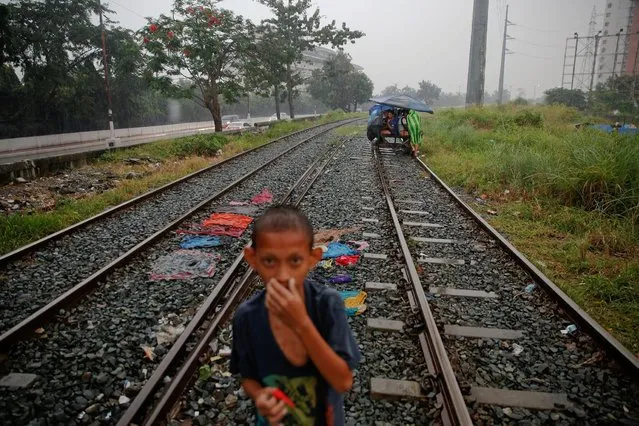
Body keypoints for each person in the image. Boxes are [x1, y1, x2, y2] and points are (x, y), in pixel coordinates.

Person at [231, 205, 361, 425]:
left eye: (295, 261)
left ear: (313, 259)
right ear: (252, 259)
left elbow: (343, 381)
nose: (283, 275)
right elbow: (249, 377)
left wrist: (301, 323)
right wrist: (259, 396)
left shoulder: (327, 305)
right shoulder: (247, 316)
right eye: (269, 261)